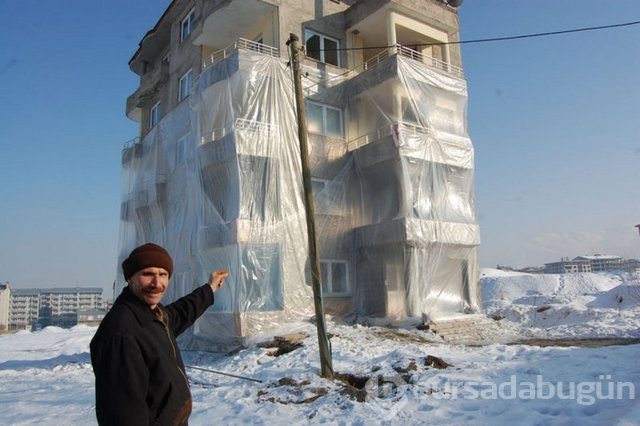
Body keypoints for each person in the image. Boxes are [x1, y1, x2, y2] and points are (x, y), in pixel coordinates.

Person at [90, 243, 229, 426]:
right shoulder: (122, 334)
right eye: (147, 274)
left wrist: (209, 289)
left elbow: (180, 313)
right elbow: (124, 415)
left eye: (163, 275)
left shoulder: (152, 314)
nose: (156, 284)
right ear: (130, 278)